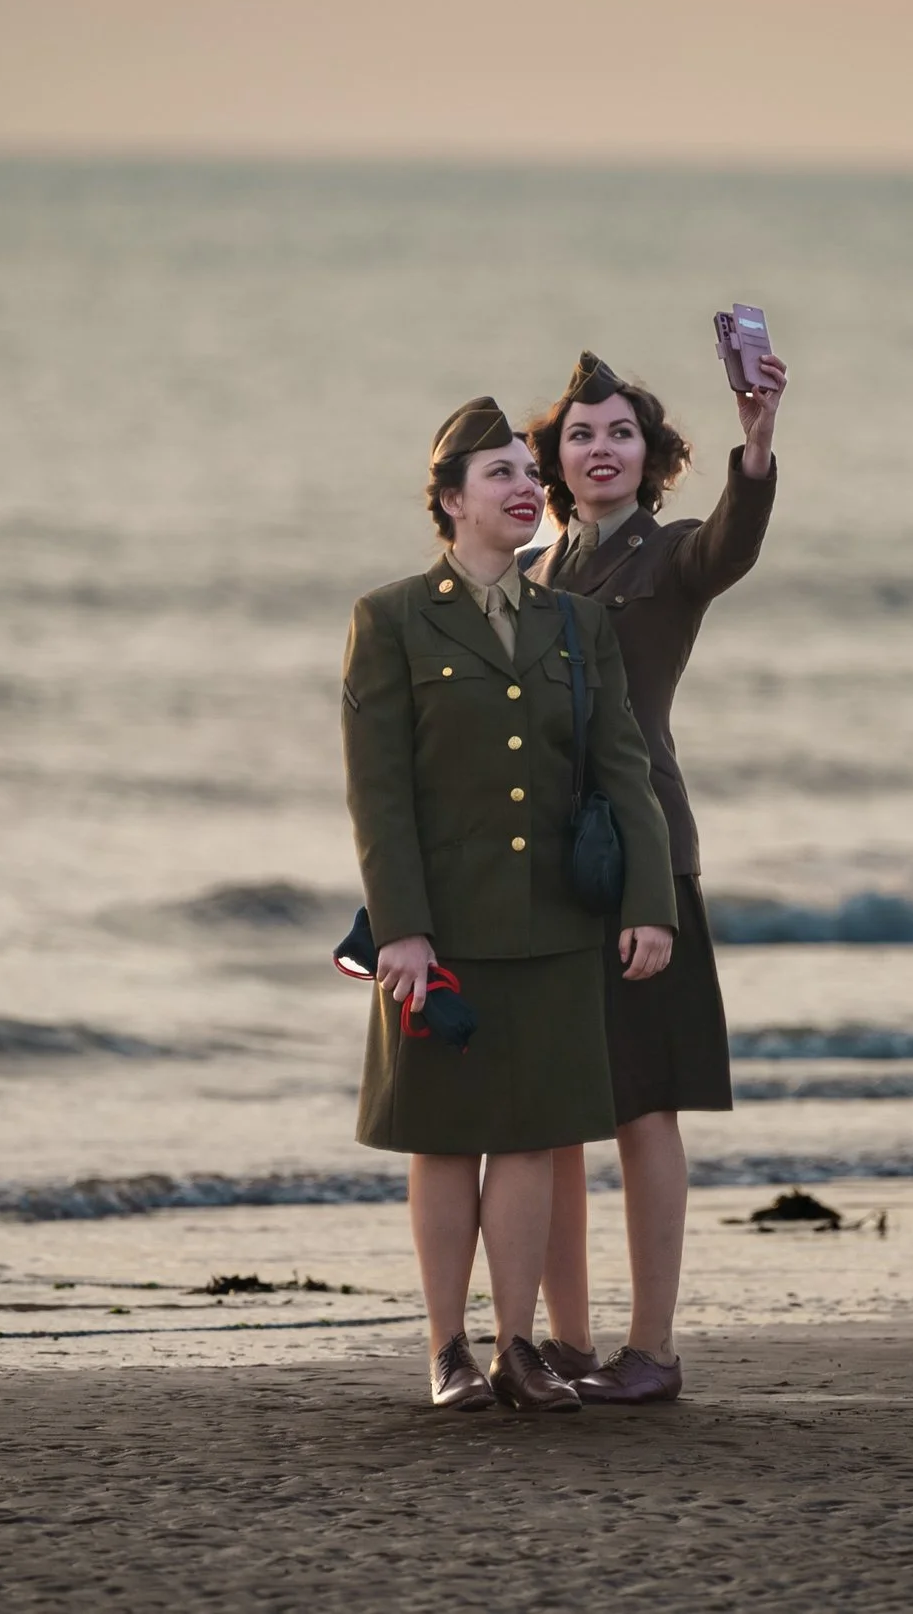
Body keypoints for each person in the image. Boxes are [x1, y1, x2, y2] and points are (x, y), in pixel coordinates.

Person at [341, 394, 678, 1412]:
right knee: (446, 1135)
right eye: (500, 476)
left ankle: (517, 1342)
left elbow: (622, 766)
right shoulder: (391, 617)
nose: (528, 487)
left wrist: (648, 902)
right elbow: (378, 787)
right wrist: (400, 924)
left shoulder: (574, 622)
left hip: (554, 922)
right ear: (448, 502)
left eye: (529, 477)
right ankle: (447, 1346)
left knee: (532, 1135)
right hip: (438, 926)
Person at [522, 345, 788, 1404]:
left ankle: (654, 1349)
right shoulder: (535, 570)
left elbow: (733, 543)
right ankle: (569, 1340)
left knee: (643, 1106)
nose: (599, 447)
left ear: (651, 456)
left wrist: (758, 440)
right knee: (553, 1108)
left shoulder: (671, 554)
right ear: (553, 457)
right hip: (543, 865)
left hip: (644, 857)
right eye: (580, 434)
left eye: (619, 432)